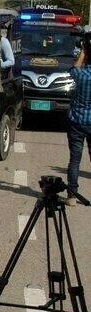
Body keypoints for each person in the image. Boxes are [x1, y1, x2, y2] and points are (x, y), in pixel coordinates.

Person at [66, 34, 91, 206]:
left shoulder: (81, 75)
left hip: (76, 121)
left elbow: (73, 69)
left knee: (75, 160)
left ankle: (72, 196)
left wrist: (83, 51)